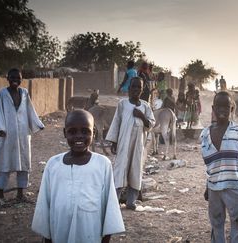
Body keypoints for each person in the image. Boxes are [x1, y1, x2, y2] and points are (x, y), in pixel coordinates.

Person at [31, 110, 125, 243]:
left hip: (90, 233)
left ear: (94, 132)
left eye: (85, 131)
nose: (79, 136)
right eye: (72, 131)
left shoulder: (102, 164)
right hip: (59, 232)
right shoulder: (53, 164)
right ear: (65, 133)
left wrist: (106, 239)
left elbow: (109, 206)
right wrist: (47, 238)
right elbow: (44, 205)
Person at [0, 68, 44, 207]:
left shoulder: (25, 93)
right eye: (13, 77)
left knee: (24, 165)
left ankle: (21, 194)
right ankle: (0, 196)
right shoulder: (2, 94)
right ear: (7, 78)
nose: (15, 80)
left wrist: (37, 124)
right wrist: (1, 128)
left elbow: (30, 110)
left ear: (22, 79)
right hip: (7, 135)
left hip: (22, 135)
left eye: (18, 77)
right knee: (4, 165)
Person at [200, 91, 238, 243]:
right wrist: (208, 186)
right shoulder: (204, 134)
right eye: (218, 106)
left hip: (234, 186)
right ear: (213, 108)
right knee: (216, 224)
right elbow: (211, 165)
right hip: (213, 189)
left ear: (231, 108)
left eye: (226, 106)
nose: (222, 109)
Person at [106, 77, 155, 210]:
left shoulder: (145, 106)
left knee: (135, 169)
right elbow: (116, 122)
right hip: (123, 142)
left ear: (142, 89)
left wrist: (142, 116)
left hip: (138, 144)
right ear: (129, 89)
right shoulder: (122, 104)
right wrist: (114, 142)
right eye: (133, 87)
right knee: (120, 169)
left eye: (138, 87)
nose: (135, 90)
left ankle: (131, 201)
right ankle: (115, 199)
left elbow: (151, 124)